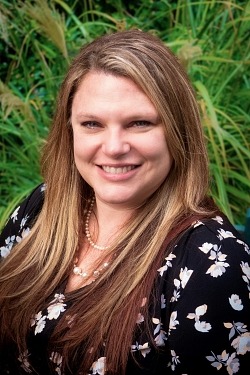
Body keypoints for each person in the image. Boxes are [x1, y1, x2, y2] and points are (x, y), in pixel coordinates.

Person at [0, 29, 249, 375]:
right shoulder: (41, 209)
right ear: (69, 129)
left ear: (178, 130)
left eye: (139, 123)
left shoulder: (211, 263)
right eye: (92, 124)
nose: (114, 146)